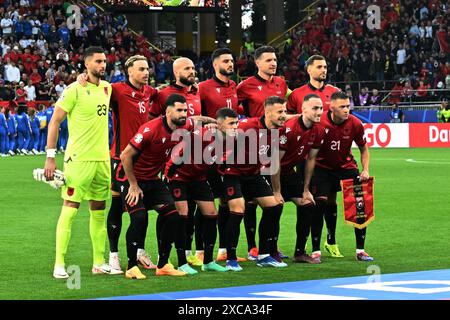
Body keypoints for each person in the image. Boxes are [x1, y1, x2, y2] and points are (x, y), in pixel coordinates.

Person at [119, 94, 214, 278]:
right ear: (167, 111)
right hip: (129, 179)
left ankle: (162, 265)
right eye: (179, 110)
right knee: (138, 218)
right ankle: (131, 266)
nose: (184, 114)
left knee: (173, 216)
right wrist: (133, 184)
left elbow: (196, 120)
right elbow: (125, 155)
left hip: (152, 180)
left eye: (185, 110)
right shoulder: (150, 129)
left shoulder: (184, 125)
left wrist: (214, 121)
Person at [43, 46, 117, 279]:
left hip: (102, 160)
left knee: (98, 212)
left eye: (104, 61)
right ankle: (59, 264)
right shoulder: (74, 89)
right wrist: (50, 156)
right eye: (97, 62)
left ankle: (98, 261)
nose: (102, 65)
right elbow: (55, 121)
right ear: (86, 64)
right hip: (78, 160)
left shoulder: (107, 88)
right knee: (70, 210)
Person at [163, 108, 239, 273]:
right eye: (231, 123)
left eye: (236, 123)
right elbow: (178, 154)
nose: (235, 127)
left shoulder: (231, 140)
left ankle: (208, 261)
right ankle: (182, 262)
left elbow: (219, 163)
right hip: (179, 177)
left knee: (211, 214)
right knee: (183, 216)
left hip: (199, 178)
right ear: (218, 125)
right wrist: (168, 177)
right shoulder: (203, 135)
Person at [220, 96, 288, 271]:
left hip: (253, 174)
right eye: (280, 112)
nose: (284, 115)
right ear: (267, 112)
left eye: (285, 111)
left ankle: (264, 255)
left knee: (273, 207)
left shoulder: (279, 131)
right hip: (233, 173)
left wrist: (277, 190)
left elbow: (273, 159)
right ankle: (231, 259)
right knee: (238, 210)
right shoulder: (246, 126)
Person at [236, 45, 289, 260]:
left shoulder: (281, 83)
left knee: (275, 199)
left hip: (273, 143)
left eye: (275, 59)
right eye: (268, 60)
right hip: (252, 147)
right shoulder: (245, 86)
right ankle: (252, 247)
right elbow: (234, 109)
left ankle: (271, 246)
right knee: (250, 202)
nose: (273, 63)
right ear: (257, 63)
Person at [307, 91, 373, 262]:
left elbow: (364, 148)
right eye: (342, 107)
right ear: (331, 107)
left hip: (346, 166)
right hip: (321, 168)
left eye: (348, 106)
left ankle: (360, 250)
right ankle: (316, 250)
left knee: (360, 204)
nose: (346, 110)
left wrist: (365, 170)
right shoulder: (319, 121)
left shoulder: (355, 123)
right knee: (320, 204)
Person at [271, 94, 326, 264]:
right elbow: (275, 162)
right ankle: (271, 251)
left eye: (321, 108)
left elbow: (310, 160)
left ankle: (300, 252)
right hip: (268, 170)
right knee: (274, 206)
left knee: (308, 204)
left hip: (288, 172)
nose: (319, 112)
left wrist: (305, 189)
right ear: (303, 109)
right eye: (315, 108)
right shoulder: (287, 129)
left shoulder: (319, 130)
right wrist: (277, 191)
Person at [198, 48, 241, 263]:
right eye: (226, 61)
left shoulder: (234, 86)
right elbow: (194, 115)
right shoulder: (203, 88)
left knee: (226, 200)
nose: (230, 64)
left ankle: (223, 249)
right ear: (215, 64)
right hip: (208, 152)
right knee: (204, 201)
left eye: (231, 60)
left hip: (230, 153)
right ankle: (199, 252)